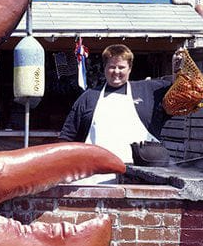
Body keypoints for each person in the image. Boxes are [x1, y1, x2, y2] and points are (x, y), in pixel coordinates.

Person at [59, 44, 184, 173]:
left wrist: (177, 68)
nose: (116, 72)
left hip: (143, 177)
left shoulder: (150, 90)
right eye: (112, 67)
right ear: (104, 68)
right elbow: (67, 138)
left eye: (121, 67)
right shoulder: (88, 97)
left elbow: (181, 92)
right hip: (95, 177)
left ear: (130, 68)